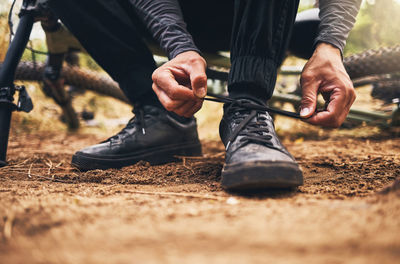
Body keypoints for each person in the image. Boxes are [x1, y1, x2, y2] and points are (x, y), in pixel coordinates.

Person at [46, 0, 361, 191]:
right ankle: (158, 115)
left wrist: (330, 44)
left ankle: (248, 109)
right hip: (154, 14)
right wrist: (179, 46)